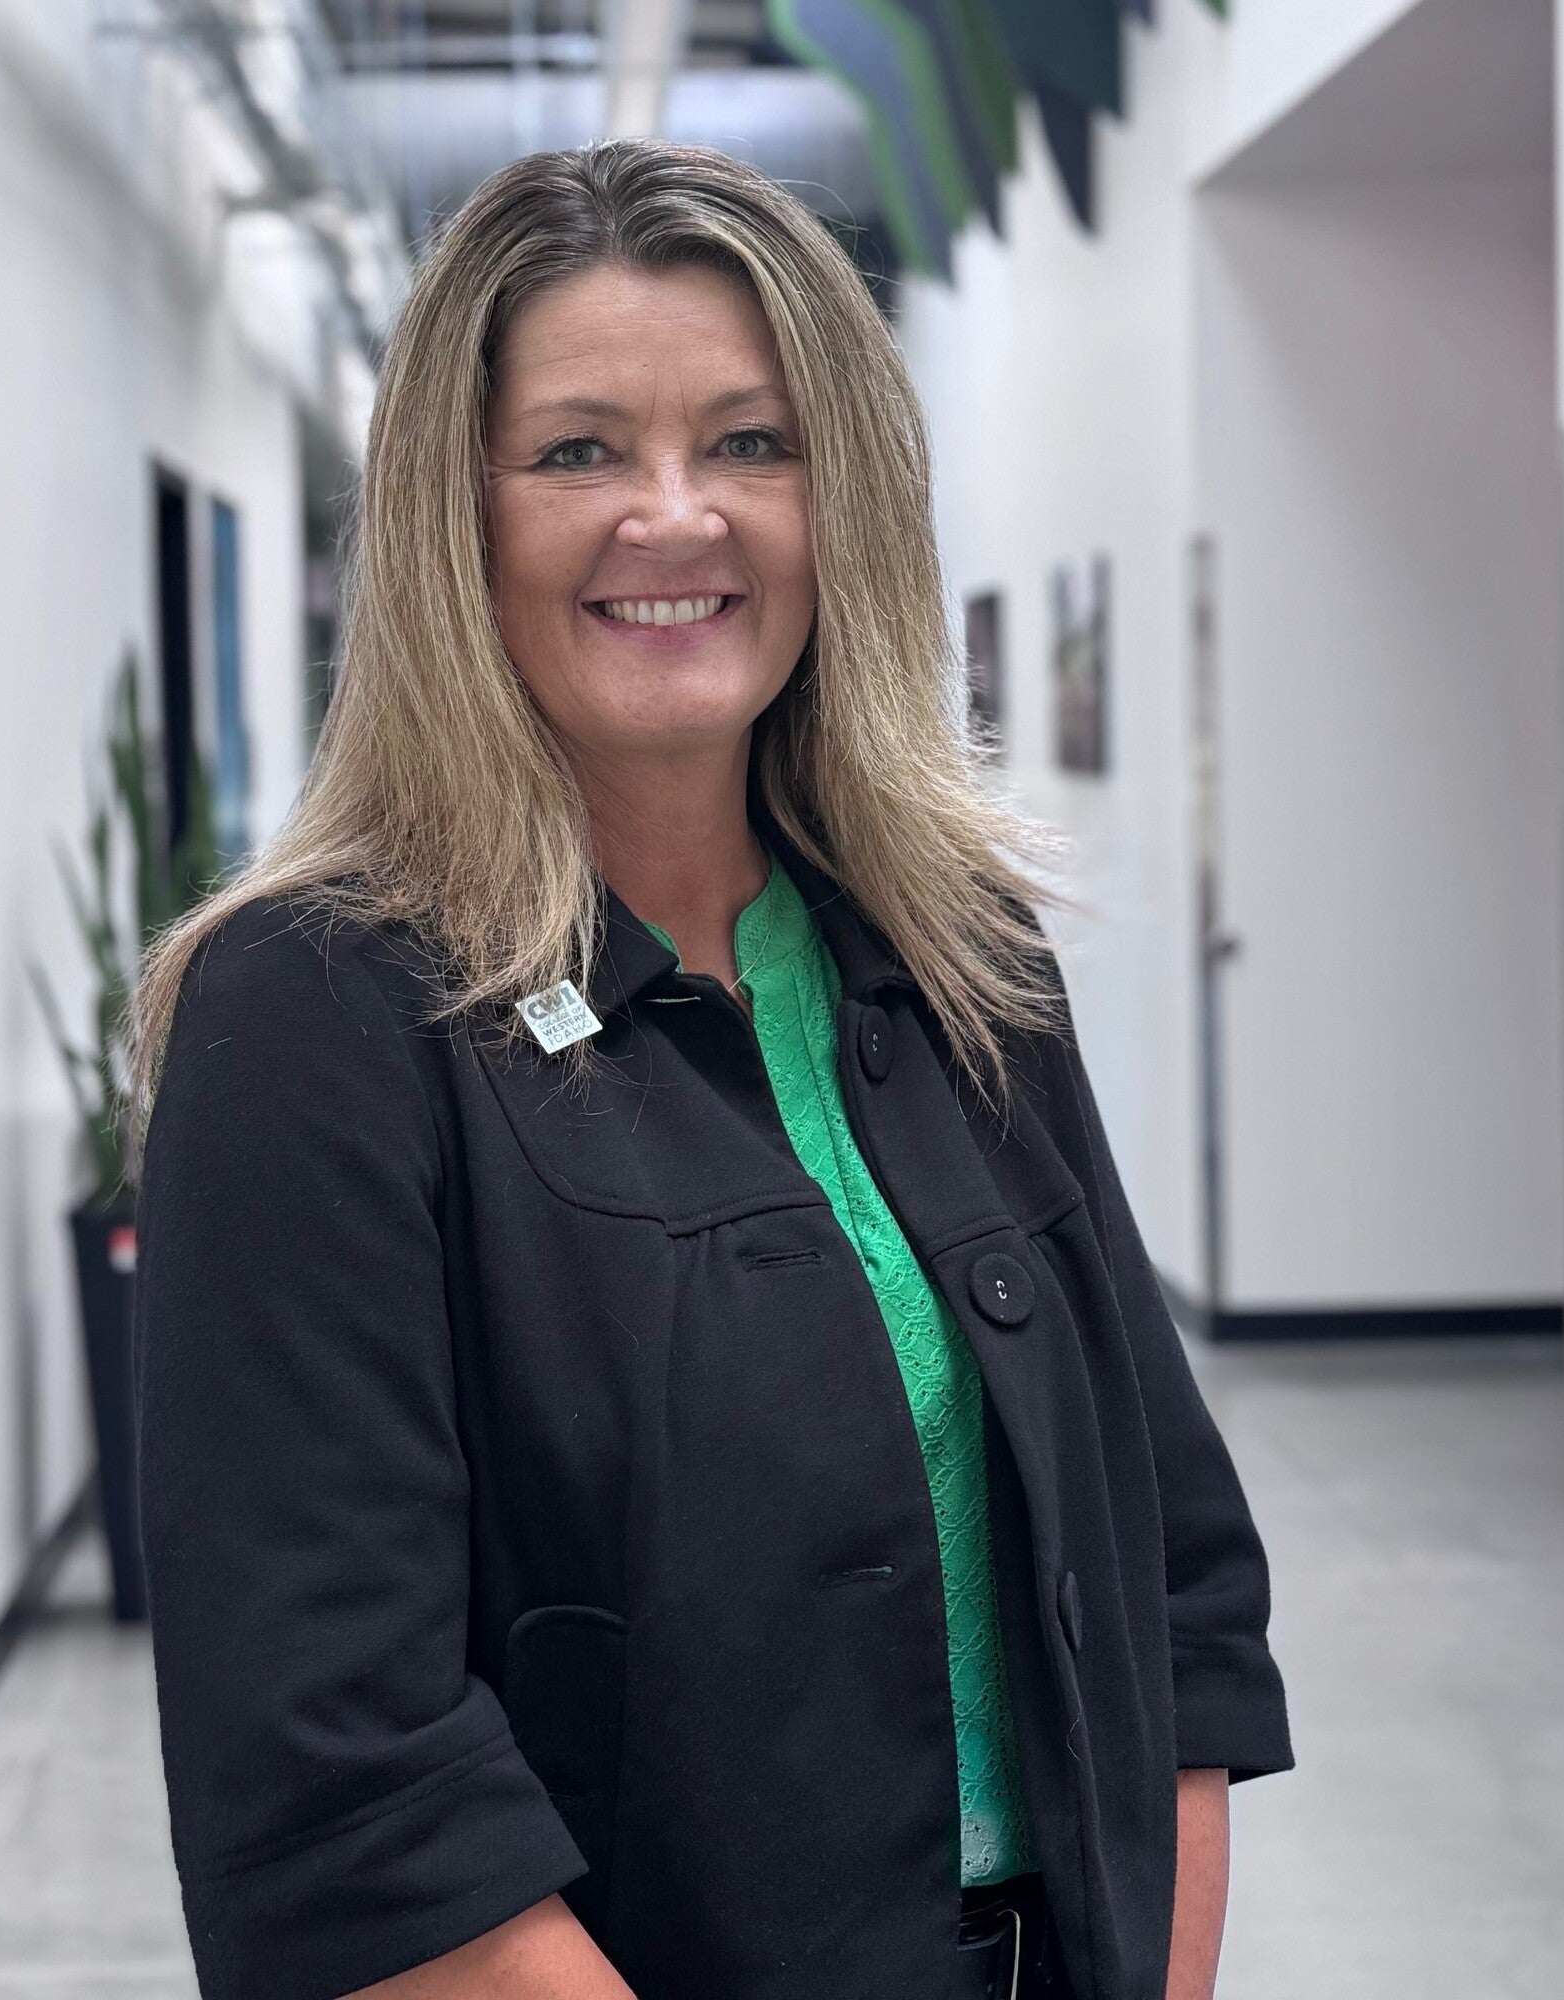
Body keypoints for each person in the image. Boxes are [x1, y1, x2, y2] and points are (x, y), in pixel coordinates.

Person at [130, 139, 1291, 2000]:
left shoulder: (954, 955)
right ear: (461, 514)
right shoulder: (316, 1016)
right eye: (580, 449)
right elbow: (345, 1785)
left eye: (753, 444)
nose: (676, 516)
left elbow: (1175, 1585)